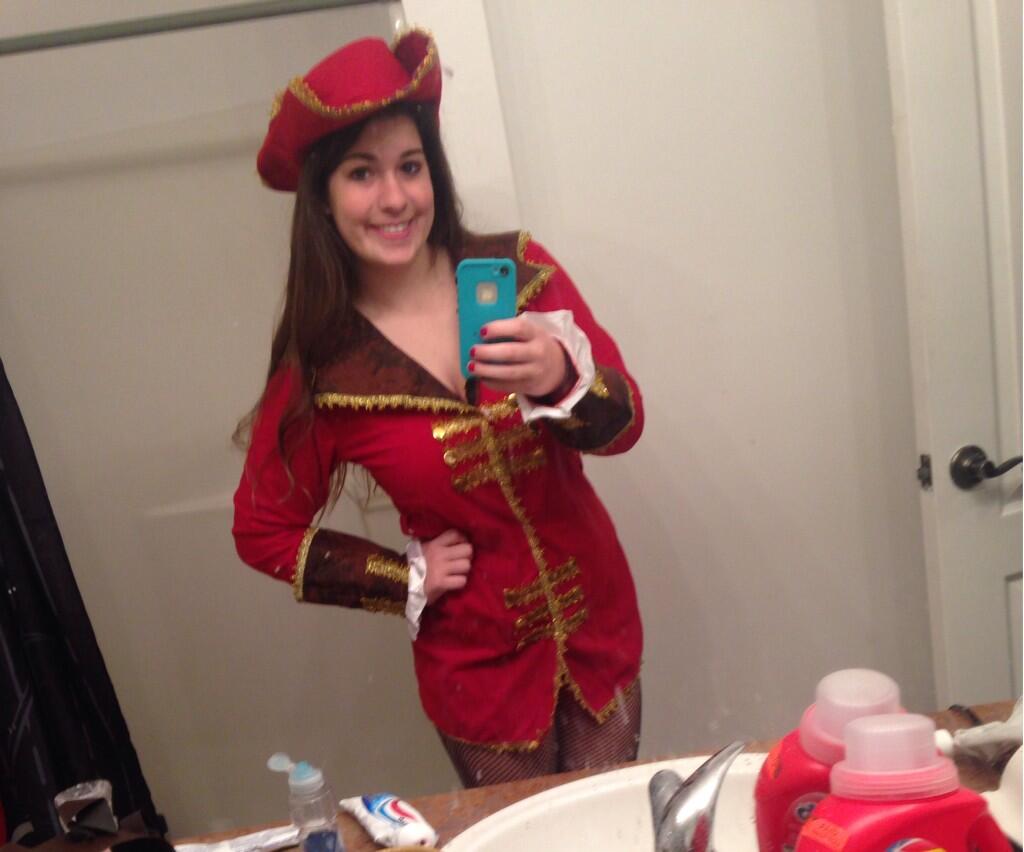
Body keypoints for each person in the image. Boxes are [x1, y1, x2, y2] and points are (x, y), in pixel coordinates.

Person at [233, 29, 645, 787]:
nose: (394, 198)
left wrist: (561, 376)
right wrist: (402, 577)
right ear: (322, 197)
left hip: (599, 628)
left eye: (410, 165)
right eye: (362, 173)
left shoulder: (519, 272)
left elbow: (625, 426)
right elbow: (262, 528)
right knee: (518, 837)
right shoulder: (324, 361)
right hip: (478, 670)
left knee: (611, 826)